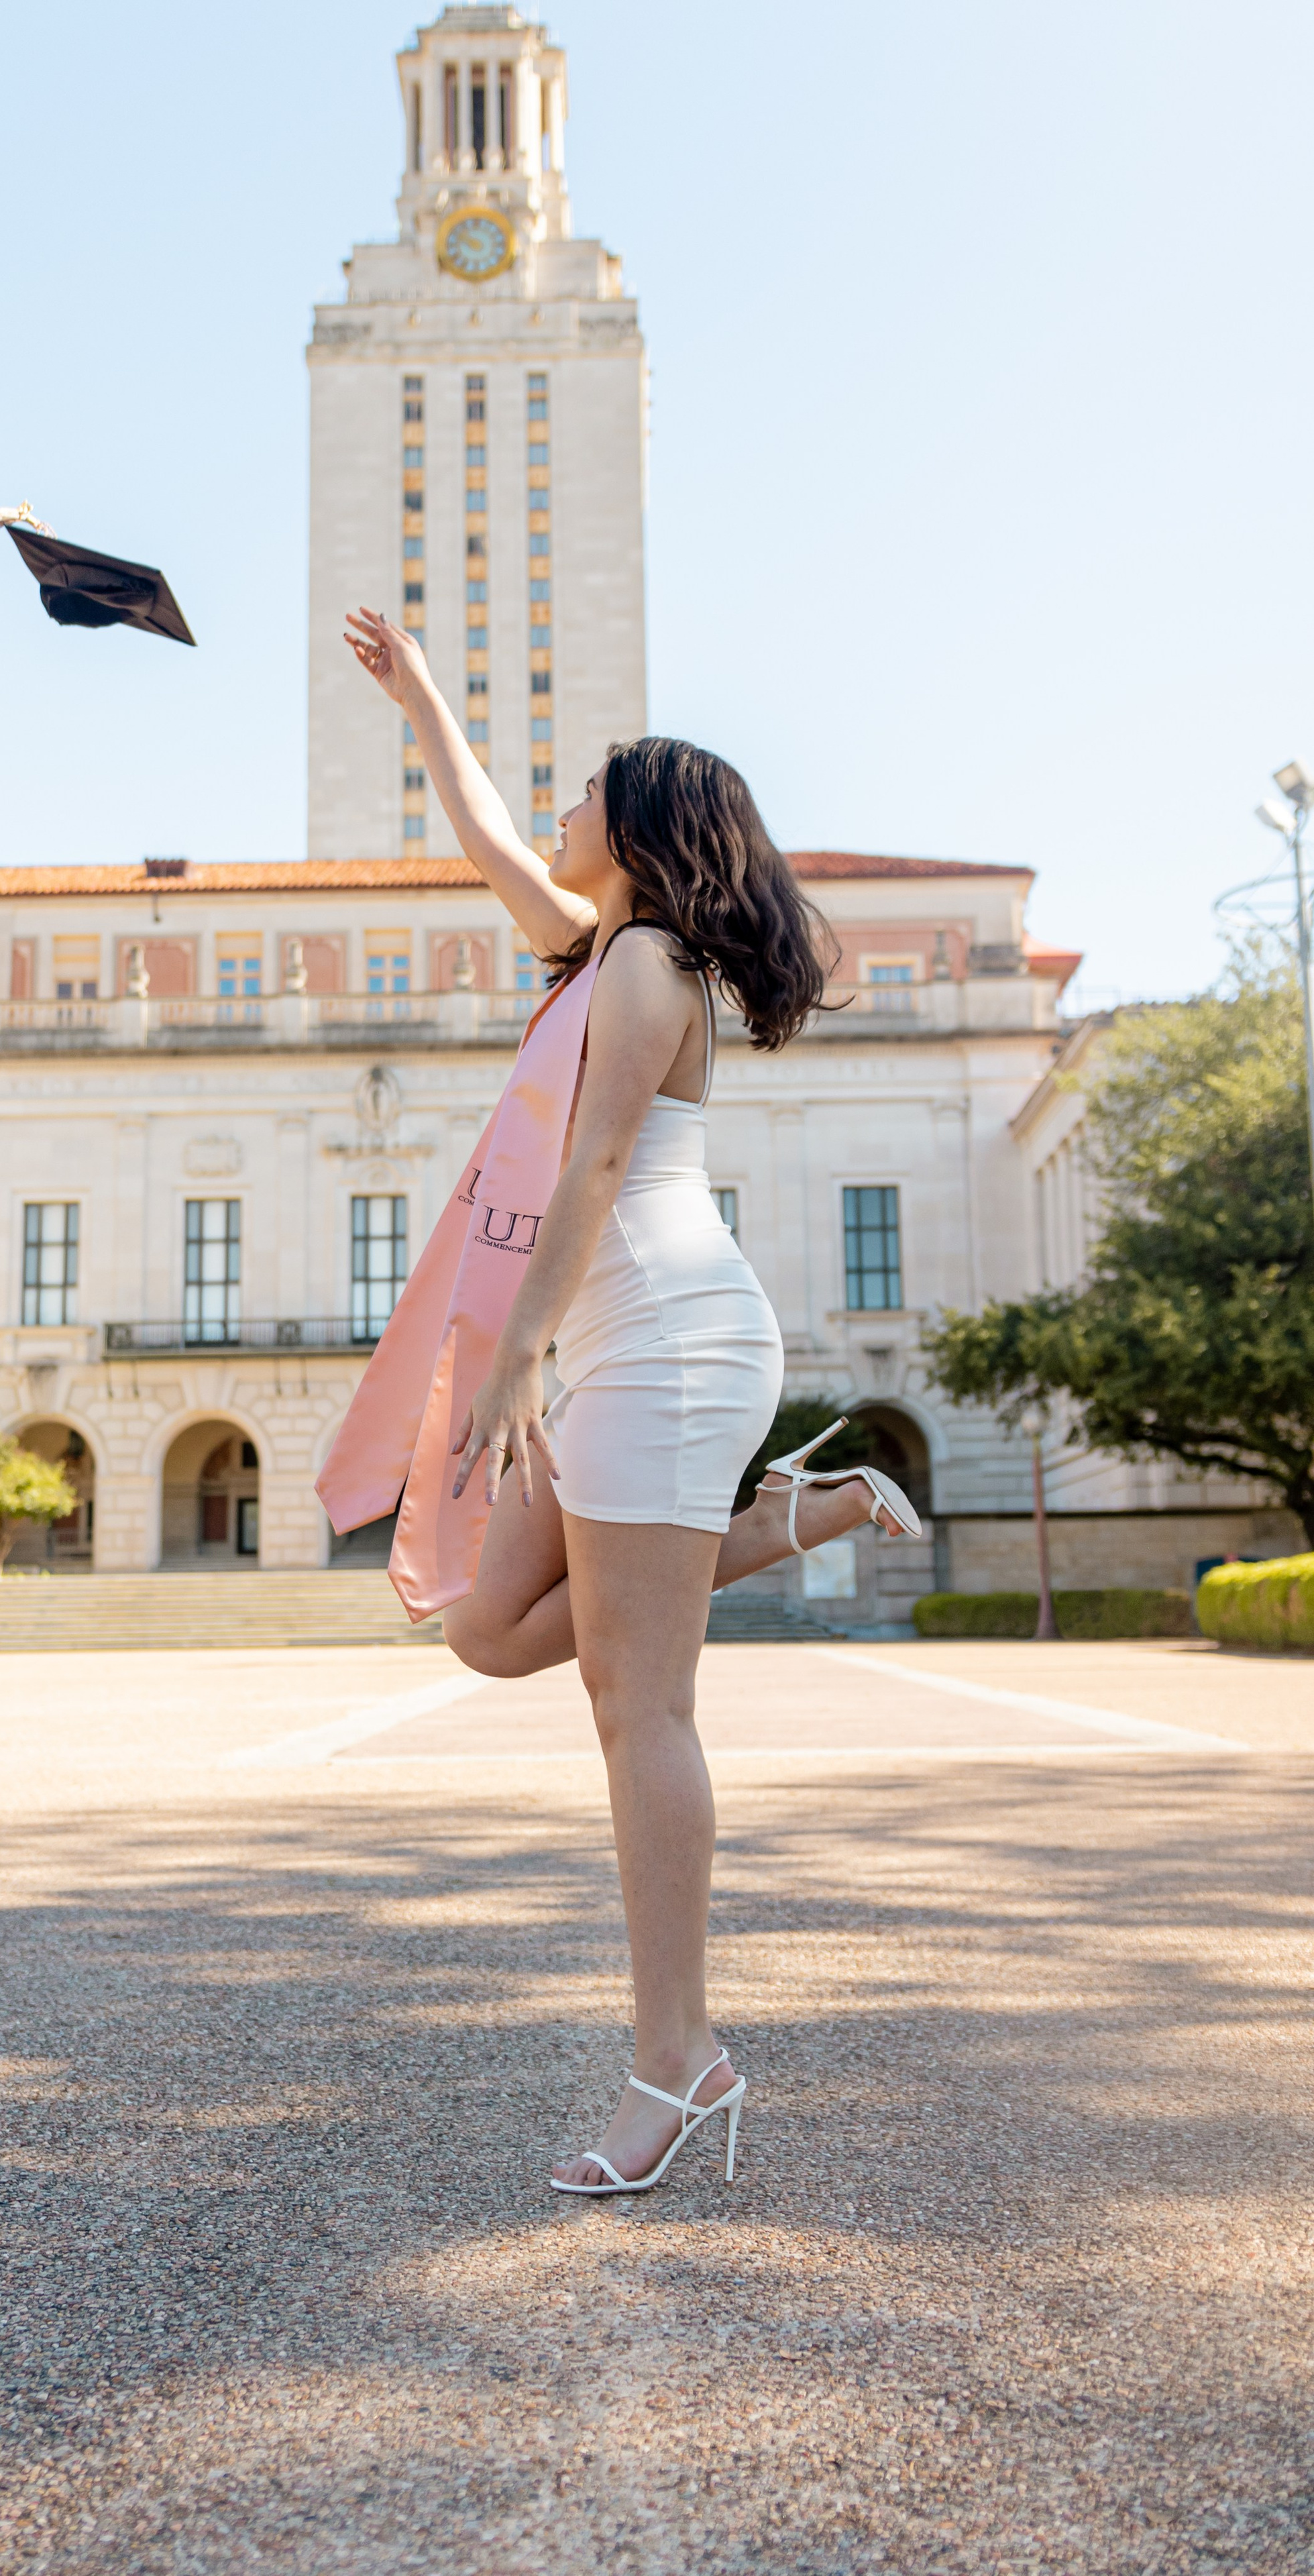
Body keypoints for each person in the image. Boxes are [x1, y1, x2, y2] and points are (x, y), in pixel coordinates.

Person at [344, 608, 922, 2196]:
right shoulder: (598, 948)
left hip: (659, 1335)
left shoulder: (652, 966)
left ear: (646, 828)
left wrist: (517, 1348)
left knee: (635, 1706)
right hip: (614, 1341)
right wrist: (423, 704)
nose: (562, 801)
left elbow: (595, 1164)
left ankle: (676, 2060)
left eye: (590, 785)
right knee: (480, 1621)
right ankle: (805, 1514)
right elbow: (477, 836)